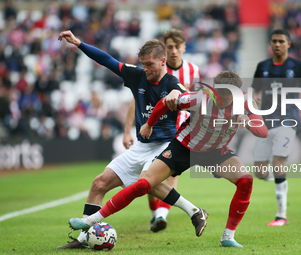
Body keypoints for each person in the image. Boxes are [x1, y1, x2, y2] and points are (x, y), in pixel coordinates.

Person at [68, 70, 269, 248]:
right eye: (217, 90)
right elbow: (164, 104)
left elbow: (263, 131)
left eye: (224, 93)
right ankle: (91, 220)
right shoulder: (200, 98)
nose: (218, 95)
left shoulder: (246, 103)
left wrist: (249, 122)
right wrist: (149, 124)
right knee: (144, 184)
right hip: (184, 147)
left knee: (246, 181)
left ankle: (228, 237)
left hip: (216, 151)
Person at [55, 30, 197, 249]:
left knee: (146, 183)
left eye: (149, 64)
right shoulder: (136, 75)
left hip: (164, 145)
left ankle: (194, 211)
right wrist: (79, 43)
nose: (146, 68)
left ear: (162, 61)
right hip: (141, 146)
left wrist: (178, 96)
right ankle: (84, 239)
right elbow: (106, 60)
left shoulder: (172, 84)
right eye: (143, 63)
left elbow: (189, 98)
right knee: (99, 183)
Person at [123, 28, 201, 233]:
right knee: (150, 174)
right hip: (152, 130)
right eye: (170, 47)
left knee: (170, 173)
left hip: (180, 131)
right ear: (164, 52)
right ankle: (155, 215)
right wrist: (127, 130)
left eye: (177, 46)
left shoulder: (193, 70)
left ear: (184, 48)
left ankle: (161, 215)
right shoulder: (152, 70)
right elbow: (136, 100)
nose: (174, 51)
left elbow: (196, 99)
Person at [251, 29, 301, 226]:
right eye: (274, 41)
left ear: (288, 44)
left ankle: (281, 216)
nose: (277, 44)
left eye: (281, 41)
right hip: (265, 122)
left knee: (278, 162)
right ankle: (278, 178)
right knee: (260, 172)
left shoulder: (298, 67)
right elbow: (255, 89)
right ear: (270, 44)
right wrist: (255, 96)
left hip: (288, 121)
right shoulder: (262, 66)